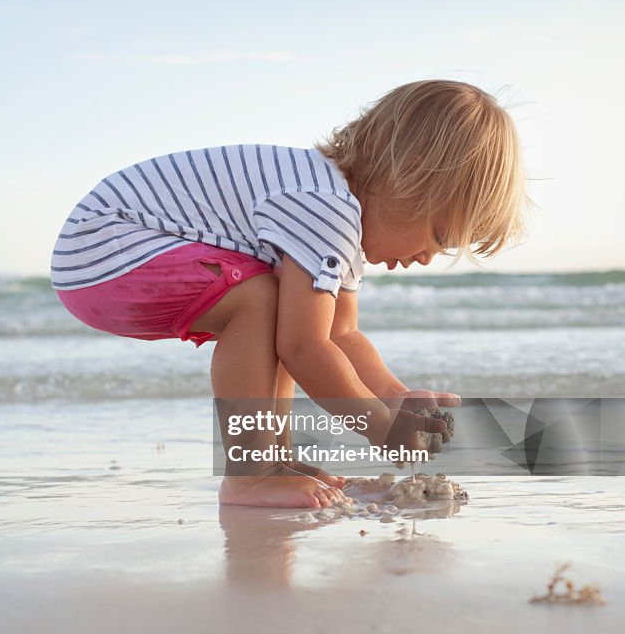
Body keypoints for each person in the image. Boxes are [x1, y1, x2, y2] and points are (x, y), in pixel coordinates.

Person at [51, 79, 527, 508]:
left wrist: (396, 399)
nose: (427, 258)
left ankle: (274, 462)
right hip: (103, 250)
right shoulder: (326, 208)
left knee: (278, 302)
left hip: (104, 255)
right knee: (259, 299)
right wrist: (382, 430)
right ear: (411, 174)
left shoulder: (334, 210)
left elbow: (341, 334)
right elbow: (304, 348)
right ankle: (251, 474)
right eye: (440, 234)